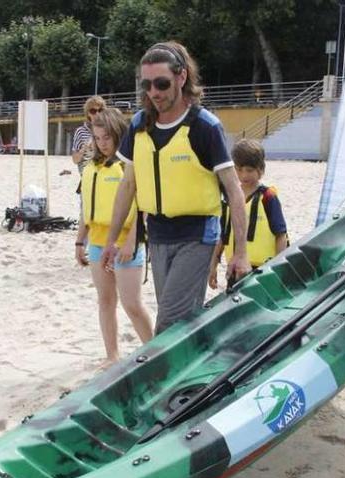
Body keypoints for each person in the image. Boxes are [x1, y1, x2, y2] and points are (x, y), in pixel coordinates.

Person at [100, 41, 251, 333]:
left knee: (169, 322)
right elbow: (128, 184)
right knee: (181, 323)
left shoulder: (205, 127)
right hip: (158, 235)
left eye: (161, 83)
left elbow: (234, 190)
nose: (154, 92)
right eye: (147, 85)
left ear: (181, 77)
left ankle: (162, 377)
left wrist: (240, 252)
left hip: (197, 235)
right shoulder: (139, 125)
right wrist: (111, 239)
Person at [75, 108, 153, 366]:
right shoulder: (92, 167)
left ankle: (155, 352)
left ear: (118, 134)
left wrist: (131, 240)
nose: (102, 143)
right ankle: (112, 355)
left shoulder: (128, 167)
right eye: (97, 138)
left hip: (126, 241)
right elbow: (86, 207)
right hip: (97, 241)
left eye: (107, 137)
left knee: (132, 304)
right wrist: (79, 241)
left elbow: (142, 208)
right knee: (105, 300)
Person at [209, 139, 288, 289]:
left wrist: (279, 268)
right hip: (235, 267)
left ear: (261, 170)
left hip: (264, 270)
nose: (244, 175)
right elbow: (222, 236)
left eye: (249, 170)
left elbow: (281, 235)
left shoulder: (268, 197)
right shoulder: (229, 198)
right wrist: (212, 266)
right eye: (239, 169)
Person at [71, 96, 107, 176]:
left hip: (104, 174)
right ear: (88, 113)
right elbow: (75, 160)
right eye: (93, 111)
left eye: (100, 110)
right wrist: (85, 147)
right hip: (86, 176)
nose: (97, 114)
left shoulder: (108, 130)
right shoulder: (80, 131)